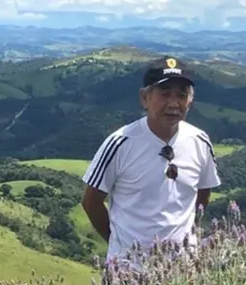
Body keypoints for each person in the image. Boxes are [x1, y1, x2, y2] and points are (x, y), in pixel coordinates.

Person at [80, 55, 221, 271]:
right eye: (164, 94)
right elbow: (91, 201)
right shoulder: (121, 143)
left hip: (184, 270)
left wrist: (190, 234)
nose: (173, 104)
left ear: (190, 102)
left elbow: (203, 192)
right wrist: (117, 244)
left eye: (181, 95)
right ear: (144, 98)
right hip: (128, 271)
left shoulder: (199, 141)